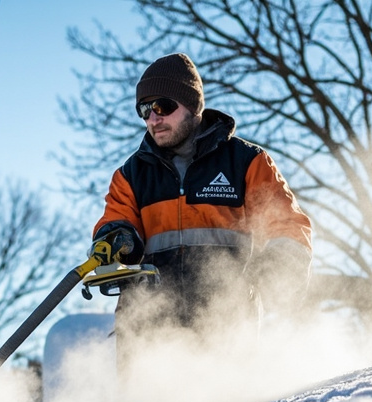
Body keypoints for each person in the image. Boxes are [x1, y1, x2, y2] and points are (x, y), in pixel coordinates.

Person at [91, 53, 313, 369]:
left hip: (225, 325)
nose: (153, 118)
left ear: (193, 105)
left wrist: (279, 267)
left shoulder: (245, 163)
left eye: (163, 107)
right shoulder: (130, 176)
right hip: (147, 333)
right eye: (144, 110)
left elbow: (287, 224)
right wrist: (115, 237)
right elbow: (115, 217)